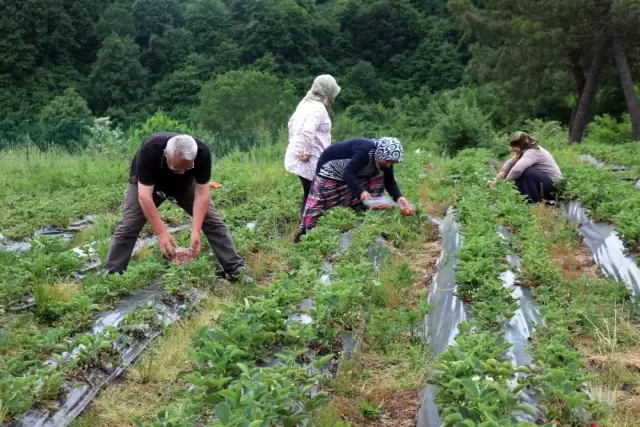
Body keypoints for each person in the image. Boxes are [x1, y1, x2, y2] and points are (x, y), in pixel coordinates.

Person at [105, 132, 253, 284]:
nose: (182, 172)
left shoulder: (202, 153)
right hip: (148, 184)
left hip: (186, 185)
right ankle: (112, 277)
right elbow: (144, 197)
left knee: (212, 221)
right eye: (177, 168)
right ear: (165, 154)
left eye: (188, 167)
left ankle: (235, 269)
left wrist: (196, 230)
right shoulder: (150, 151)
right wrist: (162, 233)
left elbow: (202, 194)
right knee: (129, 225)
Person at [295, 137, 412, 242]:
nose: (388, 164)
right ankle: (304, 234)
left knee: (379, 175)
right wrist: (361, 192)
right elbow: (348, 174)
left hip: (352, 172)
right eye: (387, 161)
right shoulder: (365, 151)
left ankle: (364, 212)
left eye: (392, 162)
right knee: (319, 202)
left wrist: (399, 198)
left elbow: (390, 182)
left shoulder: (384, 161)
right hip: (330, 171)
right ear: (380, 154)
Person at [285, 75, 341, 219]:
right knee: (314, 195)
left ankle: (307, 228)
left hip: (303, 155)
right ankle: (306, 230)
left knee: (311, 193)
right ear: (327, 91)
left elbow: (291, 123)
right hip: (311, 159)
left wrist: (291, 143)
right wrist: (307, 151)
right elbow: (308, 130)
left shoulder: (305, 104)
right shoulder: (318, 108)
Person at [490, 131, 563, 203]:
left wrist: (504, 184)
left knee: (526, 172)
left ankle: (533, 202)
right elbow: (512, 161)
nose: (512, 149)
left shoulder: (532, 152)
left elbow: (517, 170)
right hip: (545, 183)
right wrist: (502, 173)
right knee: (520, 173)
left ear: (521, 144)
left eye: (514, 146)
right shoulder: (526, 149)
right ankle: (522, 201)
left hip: (554, 187)